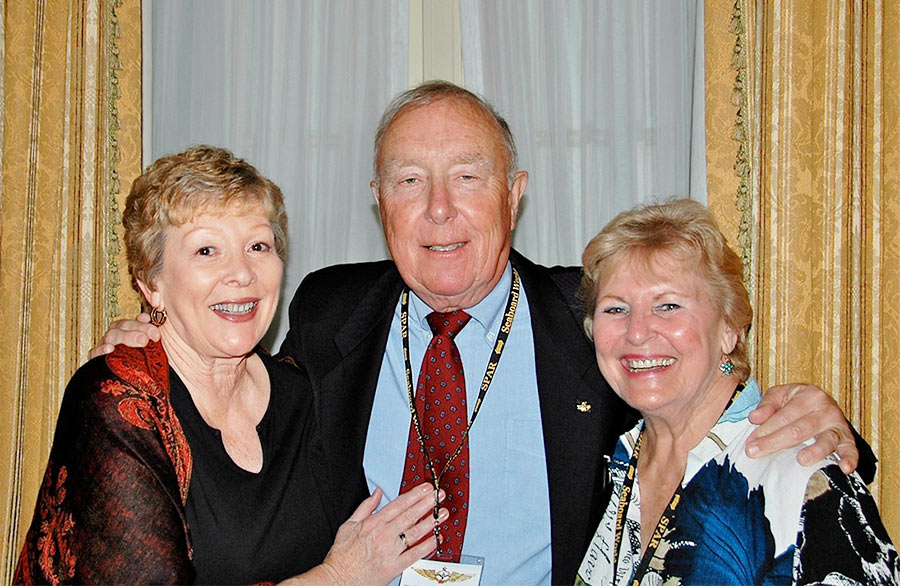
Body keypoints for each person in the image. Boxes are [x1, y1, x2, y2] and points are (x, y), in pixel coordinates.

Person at [91, 83, 871, 585]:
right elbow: (240, 412)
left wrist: (826, 429)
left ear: (514, 193)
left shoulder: (593, 318)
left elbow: (698, 405)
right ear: (379, 200)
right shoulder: (329, 311)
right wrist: (165, 340)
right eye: (409, 181)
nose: (439, 209)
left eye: (467, 176)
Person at [14, 146, 445, 585]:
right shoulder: (118, 403)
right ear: (151, 283)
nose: (241, 273)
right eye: (206, 250)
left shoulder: (305, 392)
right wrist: (337, 577)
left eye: (258, 246)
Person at [575, 199, 898, 585]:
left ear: (730, 328)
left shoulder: (800, 477)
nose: (638, 332)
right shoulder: (608, 463)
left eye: (668, 306)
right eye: (615, 309)